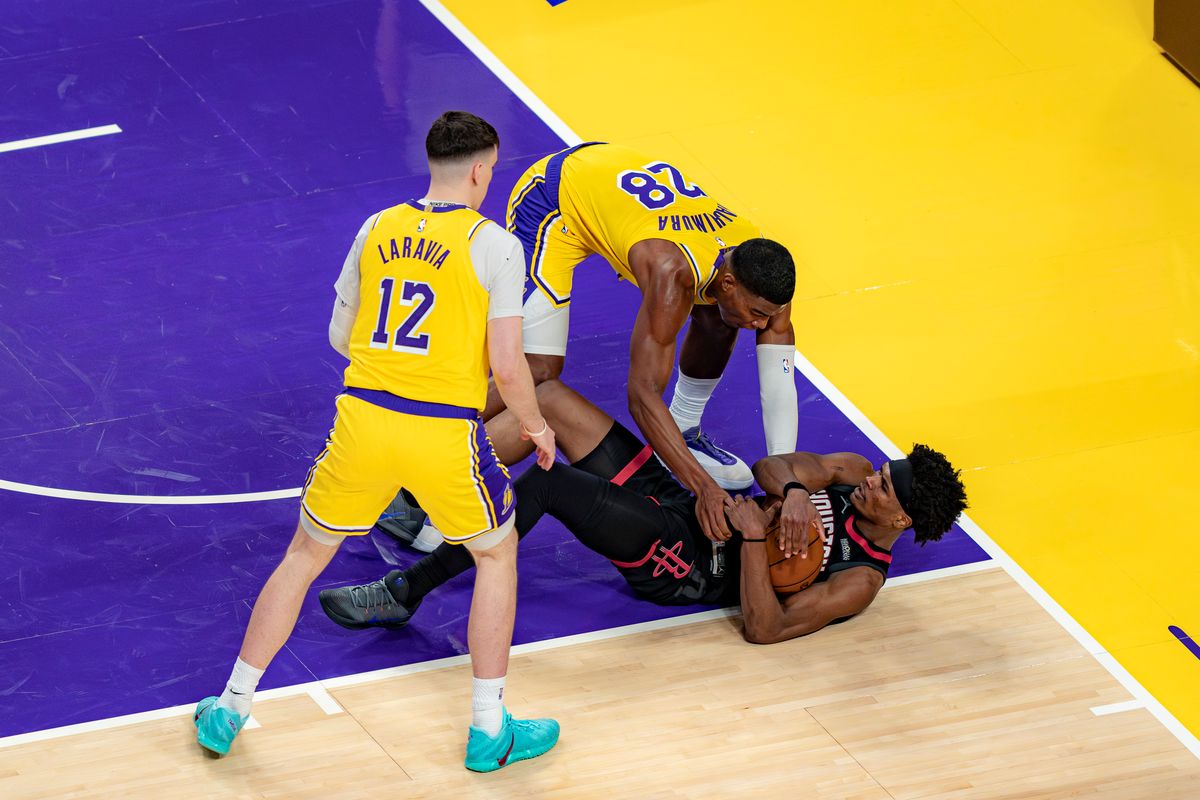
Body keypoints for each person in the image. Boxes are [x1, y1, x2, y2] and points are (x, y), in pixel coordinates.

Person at [192, 112, 560, 773]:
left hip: (362, 418)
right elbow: (509, 367)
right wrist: (534, 426)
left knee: (304, 556)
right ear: (481, 171)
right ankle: (489, 729)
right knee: (496, 556)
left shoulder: (375, 228)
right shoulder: (497, 245)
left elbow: (341, 335)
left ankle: (229, 707)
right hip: (442, 430)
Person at [319, 380, 969, 642]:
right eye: (882, 472)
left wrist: (749, 540)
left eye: (886, 487)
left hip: (685, 560)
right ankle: (418, 495)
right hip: (693, 507)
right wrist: (795, 495)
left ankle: (405, 589)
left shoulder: (858, 581)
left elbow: (766, 629)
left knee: (549, 487)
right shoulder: (853, 473)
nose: (873, 479)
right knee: (547, 402)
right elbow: (779, 468)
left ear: (903, 520)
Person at [495, 142, 800, 543]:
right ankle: (438, 439)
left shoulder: (757, 270)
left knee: (723, 316)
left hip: (621, 187)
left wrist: (786, 483)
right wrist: (702, 487)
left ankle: (685, 428)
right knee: (539, 370)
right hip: (556, 201)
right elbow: (641, 395)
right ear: (729, 282)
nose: (764, 322)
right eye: (760, 313)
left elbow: (778, 386)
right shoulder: (671, 272)